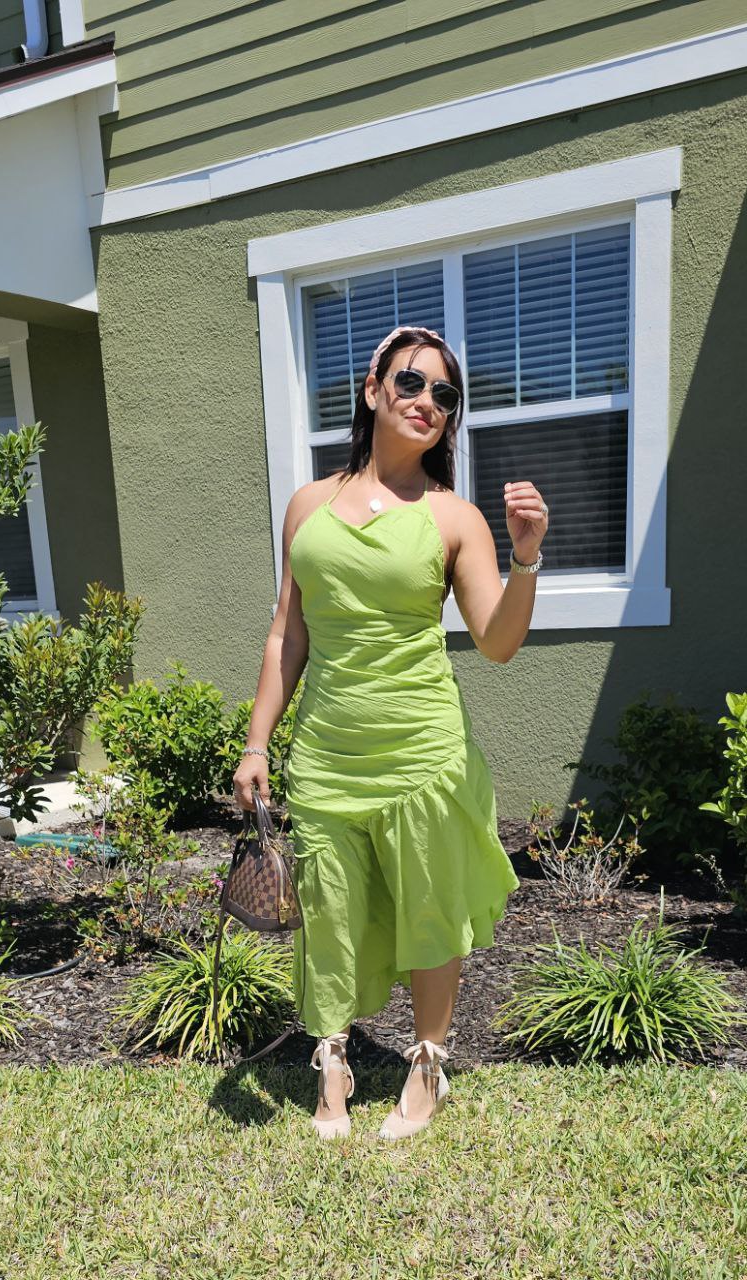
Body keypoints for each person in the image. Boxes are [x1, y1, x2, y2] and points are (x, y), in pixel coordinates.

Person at [233, 324, 547, 1141]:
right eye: (412, 384)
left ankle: (428, 1063)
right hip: (330, 751)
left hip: (421, 753)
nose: (427, 404)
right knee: (330, 914)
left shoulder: (453, 517)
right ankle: (331, 1065)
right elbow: (285, 636)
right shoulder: (309, 504)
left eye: (445, 396)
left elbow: (499, 643)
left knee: (429, 913)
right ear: (373, 387)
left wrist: (525, 562)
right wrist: (258, 741)